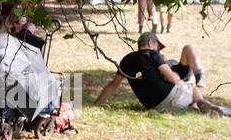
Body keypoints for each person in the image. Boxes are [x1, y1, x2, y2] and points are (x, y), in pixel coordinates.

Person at [91, 32, 229, 117]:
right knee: (191, 88)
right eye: (157, 46)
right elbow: (172, 78)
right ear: (151, 43)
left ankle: (200, 111)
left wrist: (95, 104)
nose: (158, 49)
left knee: (184, 102)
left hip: (153, 107)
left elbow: (112, 85)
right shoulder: (153, 54)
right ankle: (205, 105)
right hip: (169, 96)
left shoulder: (126, 61)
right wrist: (179, 79)